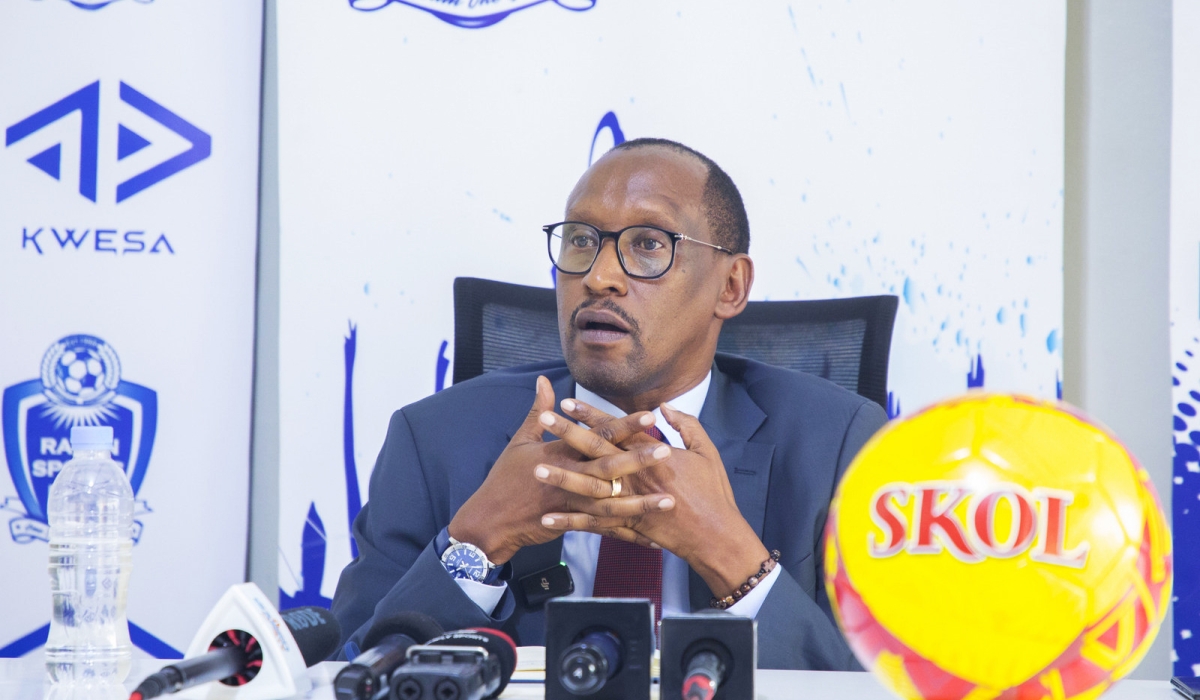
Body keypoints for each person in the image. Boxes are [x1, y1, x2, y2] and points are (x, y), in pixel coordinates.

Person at [329, 138, 888, 670]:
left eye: (648, 244)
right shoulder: (434, 440)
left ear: (731, 287)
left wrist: (728, 551)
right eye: (579, 240)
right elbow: (348, 675)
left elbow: (879, 686)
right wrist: (478, 539)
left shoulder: (841, 448)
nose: (598, 277)